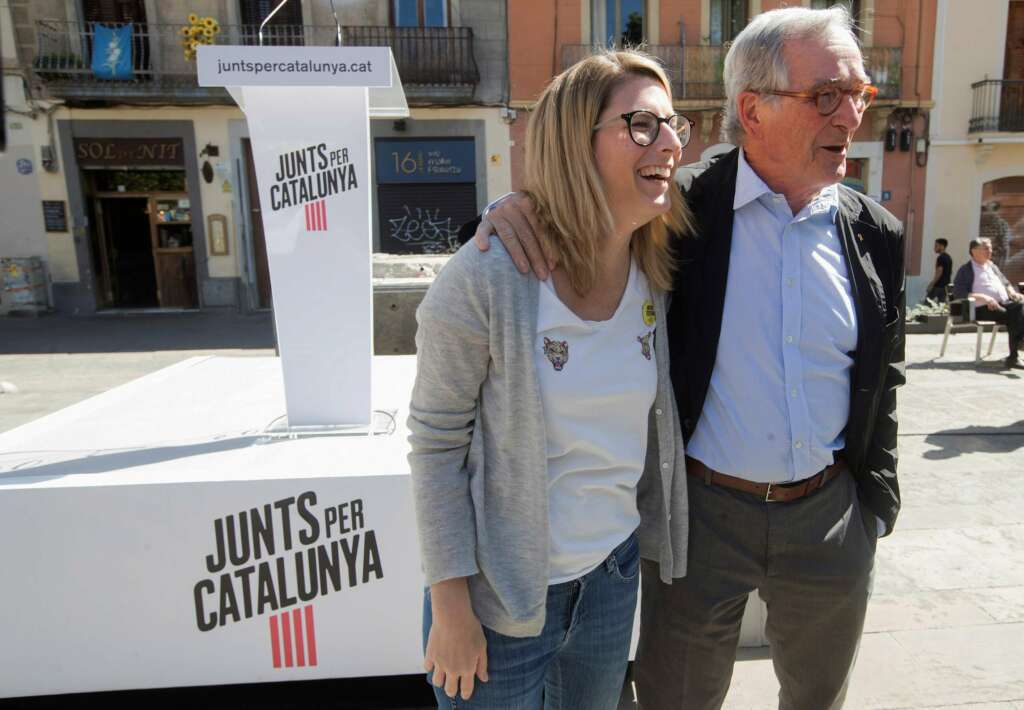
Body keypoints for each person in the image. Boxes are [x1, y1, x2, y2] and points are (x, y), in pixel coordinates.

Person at [473, 7, 905, 709]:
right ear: (753, 109)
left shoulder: (875, 233)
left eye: (860, 93)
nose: (851, 115)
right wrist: (511, 207)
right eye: (826, 94)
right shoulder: (678, 210)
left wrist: (873, 508)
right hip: (699, 524)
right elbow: (588, 209)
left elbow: (884, 378)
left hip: (829, 521)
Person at [407, 50, 692, 709]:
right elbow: (436, 448)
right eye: (643, 124)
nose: (672, 142)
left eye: (673, 122)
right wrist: (449, 608)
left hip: (611, 581)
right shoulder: (485, 279)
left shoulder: (658, 269)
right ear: (575, 141)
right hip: (498, 602)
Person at [952, 237, 1024, 369]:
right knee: (1016, 316)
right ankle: (1016, 350)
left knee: (1020, 306)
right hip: (981, 308)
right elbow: (959, 292)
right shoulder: (966, 270)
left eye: (990, 247)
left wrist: (1012, 292)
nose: (990, 250)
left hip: (1003, 304)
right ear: (974, 251)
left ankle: (1015, 353)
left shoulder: (992, 266)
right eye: (986, 248)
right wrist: (985, 298)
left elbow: (1006, 283)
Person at [925, 238, 953, 302]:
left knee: (927, 303)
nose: (934, 248)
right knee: (941, 306)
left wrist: (931, 284)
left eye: (936, 246)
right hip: (945, 287)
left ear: (942, 246)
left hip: (938, 286)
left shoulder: (940, 258)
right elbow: (950, 272)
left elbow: (939, 272)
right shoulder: (949, 257)